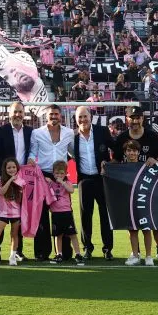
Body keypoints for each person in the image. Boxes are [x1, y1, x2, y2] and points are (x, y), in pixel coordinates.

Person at [113, 105, 158, 265]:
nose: (135, 121)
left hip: (151, 187)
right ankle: (135, 252)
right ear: (127, 119)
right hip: (130, 189)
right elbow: (116, 160)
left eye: (138, 118)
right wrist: (107, 166)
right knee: (132, 222)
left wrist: (155, 160)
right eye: (132, 118)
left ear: (142, 119)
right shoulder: (122, 138)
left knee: (154, 222)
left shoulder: (151, 136)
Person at [28, 105, 74, 260]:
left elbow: (73, 151)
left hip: (61, 177)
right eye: (51, 114)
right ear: (46, 116)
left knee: (63, 213)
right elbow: (33, 152)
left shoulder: (69, 133)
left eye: (56, 114)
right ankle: (42, 252)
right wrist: (30, 159)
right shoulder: (37, 133)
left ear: (60, 116)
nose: (54, 116)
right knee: (41, 215)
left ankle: (65, 252)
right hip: (43, 176)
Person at [69, 105, 115, 260]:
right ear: (76, 120)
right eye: (80, 117)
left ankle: (107, 249)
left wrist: (110, 164)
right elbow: (66, 154)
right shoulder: (72, 137)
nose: (83, 120)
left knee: (105, 214)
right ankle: (87, 248)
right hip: (84, 180)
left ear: (91, 117)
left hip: (102, 179)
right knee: (85, 215)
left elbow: (116, 149)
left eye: (85, 116)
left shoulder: (102, 131)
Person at [0, 101, 33, 260]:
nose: (18, 115)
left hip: (21, 182)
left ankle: (17, 251)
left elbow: (32, 153)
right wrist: (8, 173)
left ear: (24, 114)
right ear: (9, 114)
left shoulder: (30, 132)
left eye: (20, 112)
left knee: (19, 217)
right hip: (4, 181)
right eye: (15, 112)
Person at [46, 161, 85, 265]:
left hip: (66, 212)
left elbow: (71, 190)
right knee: (57, 235)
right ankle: (59, 254)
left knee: (72, 234)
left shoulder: (67, 182)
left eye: (61, 173)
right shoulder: (51, 183)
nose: (59, 175)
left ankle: (78, 254)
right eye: (57, 173)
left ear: (66, 173)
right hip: (55, 213)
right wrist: (48, 180)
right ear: (53, 173)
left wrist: (62, 182)